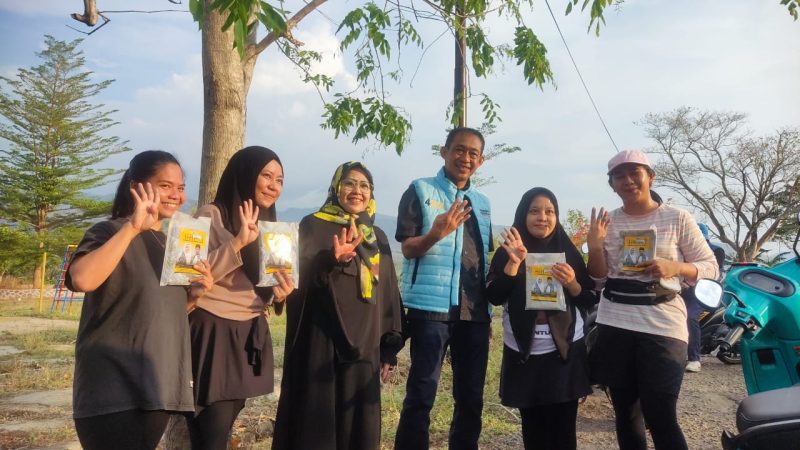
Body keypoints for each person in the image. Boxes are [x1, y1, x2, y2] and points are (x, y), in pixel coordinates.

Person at [66, 150, 213, 450]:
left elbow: (155, 312)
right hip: (112, 389)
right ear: (137, 187)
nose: (176, 195)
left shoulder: (167, 245)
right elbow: (82, 279)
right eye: (165, 185)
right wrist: (133, 227)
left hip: (154, 389)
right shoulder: (108, 231)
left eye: (181, 187)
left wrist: (195, 296)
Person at [587, 149, 719, 450]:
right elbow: (598, 281)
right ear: (611, 184)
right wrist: (595, 247)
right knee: (626, 413)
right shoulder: (608, 221)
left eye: (635, 173)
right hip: (615, 322)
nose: (628, 180)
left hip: (663, 325)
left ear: (651, 177)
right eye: (620, 176)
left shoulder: (677, 218)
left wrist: (677, 268)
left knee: (661, 414)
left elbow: (711, 268)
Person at [272, 161, 404, 450]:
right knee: (316, 422)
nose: (357, 190)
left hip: (365, 347)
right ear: (336, 188)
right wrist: (329, 261)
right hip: (320, 340)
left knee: (356, 423)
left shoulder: (376, 236)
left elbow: (388, 294)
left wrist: (388, 346)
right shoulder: (313, 225)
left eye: (364, 185)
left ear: (372, 193)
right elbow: (298, 281)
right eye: (349, 183)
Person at [188, 146, 295, 450]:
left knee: (223, 422)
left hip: (248, 332)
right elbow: (190, 277)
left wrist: (280, 295)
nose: (274, 185)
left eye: (280, 179)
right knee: (211, 429)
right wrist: (237, 243)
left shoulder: (272, 230)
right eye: (266, 176)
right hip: (213, 331)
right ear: (246, 174)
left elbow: (265, 290)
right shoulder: (211, 215)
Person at [394, 127, 493, 450]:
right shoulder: (420, 190)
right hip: (430, 310)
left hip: (475, 312)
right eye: (459, 150)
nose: (466, 158)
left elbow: (482, 258)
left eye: (473, 153)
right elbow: (408, 248)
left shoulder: (482, 202)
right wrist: (436, 233)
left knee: (471, 398)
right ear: (444, 151)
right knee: (421, 394)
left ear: (480, 161)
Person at [486, 187, 598, 450]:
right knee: (533, 429)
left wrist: (572, 284)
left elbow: (589, 299)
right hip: (523, 352)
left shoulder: (568, 252)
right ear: (523, 215)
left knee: (563, 431)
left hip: (564, 353)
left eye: (549, 211)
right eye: (534, 211)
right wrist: (513, 264)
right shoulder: (508, 251)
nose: (542, 217)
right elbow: (493, 295)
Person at [684, 222, 726, 373]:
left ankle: (694, 359)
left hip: (705, 292)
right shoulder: (685, 249)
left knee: (690, 317)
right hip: (686, 290)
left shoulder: (715, 250)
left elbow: (712, 274)